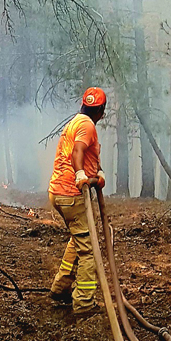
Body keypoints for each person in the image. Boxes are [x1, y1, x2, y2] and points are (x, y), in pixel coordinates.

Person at [49, 87, 107, 318]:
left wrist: (97, 173)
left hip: (59, 192)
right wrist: (81, 175)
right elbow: (77, 152)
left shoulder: (76, 122)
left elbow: (87, 154)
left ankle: (60, 288)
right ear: (101, 111)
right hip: (71, 194)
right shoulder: (87, 125)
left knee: (79, 238)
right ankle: (84, 304)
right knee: (89, 249)